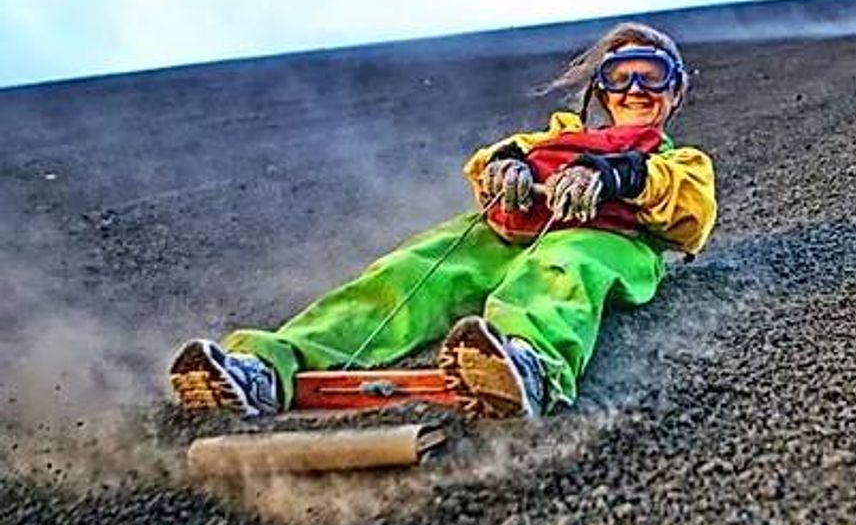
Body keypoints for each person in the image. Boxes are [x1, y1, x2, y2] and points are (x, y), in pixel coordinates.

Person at [169, 22, 717, 419]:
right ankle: (266, 369)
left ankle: (527, 364)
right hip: (502, 234)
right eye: (622, 76)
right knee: (409, 273)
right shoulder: (550, 140)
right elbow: (490, 161)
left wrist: (621, 176)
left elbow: (692, 209)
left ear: (675, 91)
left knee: (561, 268)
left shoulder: (680, 162)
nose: (636, 91)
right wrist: (507, 167)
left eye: (653, 76)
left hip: (605, 238)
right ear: (602, 89)